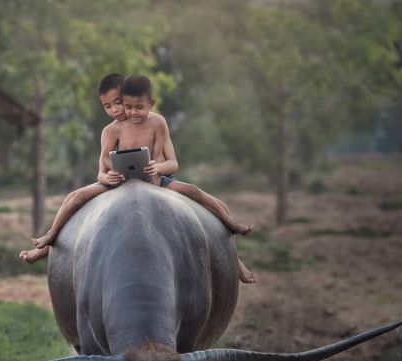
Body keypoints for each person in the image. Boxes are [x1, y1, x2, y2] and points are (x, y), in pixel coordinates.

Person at [20, 74, 256, 283]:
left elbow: (172, 163)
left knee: (199, 193)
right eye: (107, 106)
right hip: (118, 183)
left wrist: (158, 167)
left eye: (119, 103)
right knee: (75, 197)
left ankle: (234, 251)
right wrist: (109, 176)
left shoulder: (157, 122)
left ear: (142, 102)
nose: (117, 110)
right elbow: (101, 169)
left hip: (156, 181)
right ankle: (50, 239)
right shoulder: (111, 130)